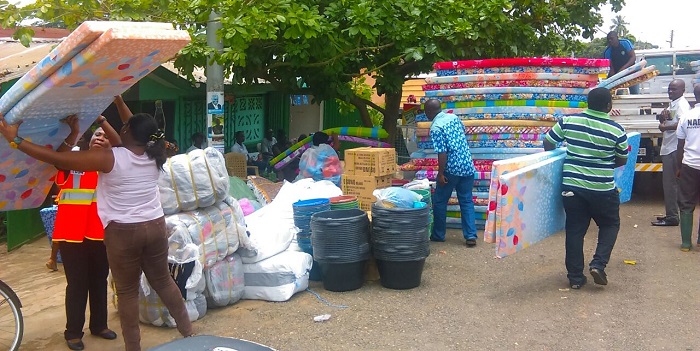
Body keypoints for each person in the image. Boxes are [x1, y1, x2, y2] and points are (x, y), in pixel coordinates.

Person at [0, 108, 194, 350]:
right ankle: (189, 333)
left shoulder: (110, 158)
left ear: (126, 131)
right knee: (164, 281)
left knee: (127, 292)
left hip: (124, 233)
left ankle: (133, 347)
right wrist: (113, 105)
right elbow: (134, 129)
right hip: (155, 226)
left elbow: (57, 159)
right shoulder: (155, 153)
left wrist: (14, 140)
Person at [544, 87, 629, 289]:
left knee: (575, 230)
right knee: (609, 225)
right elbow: (621, 159)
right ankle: (598, 264)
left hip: (572, 187)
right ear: (609, 106)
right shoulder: (617, 130)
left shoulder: (569, 121)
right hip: (602, 189)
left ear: (588, 104)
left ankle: (575, 278)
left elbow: (548, 143)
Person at [51, 114, 119, 350]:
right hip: (71, 233)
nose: (101, 137)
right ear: (90, 139)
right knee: (77, 284)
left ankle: (99, 325)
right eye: (98, 134)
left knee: (99, 281)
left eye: (106, 136)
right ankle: (73, 332)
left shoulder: (113, 166)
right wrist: (72, 134)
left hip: (100, 234)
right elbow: (59, 161)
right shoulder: (76, 160)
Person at [424, 98, 478, 247]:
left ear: (428, 112)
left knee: (440, 201)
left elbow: (442, 153)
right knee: (466, 201)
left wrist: (441, 174)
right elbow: (463, 133)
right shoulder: (453, 117)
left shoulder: (436, 127)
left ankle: (439, 235)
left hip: (451, 169)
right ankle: (471, 236)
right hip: (467, 165)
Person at [651, 79, 690, 226]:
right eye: (669, 89)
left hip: (674, 149)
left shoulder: (682, 105)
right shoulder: (674, 103)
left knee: (670, 184)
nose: (670, 91)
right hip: (669, 147)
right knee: (669, 184)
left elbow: (682, 124)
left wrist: (664, 127)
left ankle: (672, 217)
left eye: (674, 89)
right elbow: (671, 120)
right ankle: (670, 214)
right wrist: (663, 118)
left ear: (682, 90)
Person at [674, 85, 700, 251]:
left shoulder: (686, 116)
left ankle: (685, 243)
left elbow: (680, 144)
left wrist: (678, 167)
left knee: (686, 204)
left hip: (690, 164)